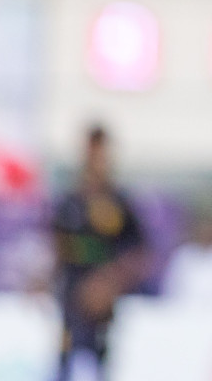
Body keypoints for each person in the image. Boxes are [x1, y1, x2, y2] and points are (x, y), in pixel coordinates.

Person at [51, 126, 147, 380]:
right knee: (64, 362)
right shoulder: (70, 201)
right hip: (71, 296)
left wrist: (109, 283)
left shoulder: (118, 203)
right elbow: (57, 246)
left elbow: (138, 250)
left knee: (101, 364)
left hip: (103, 302)